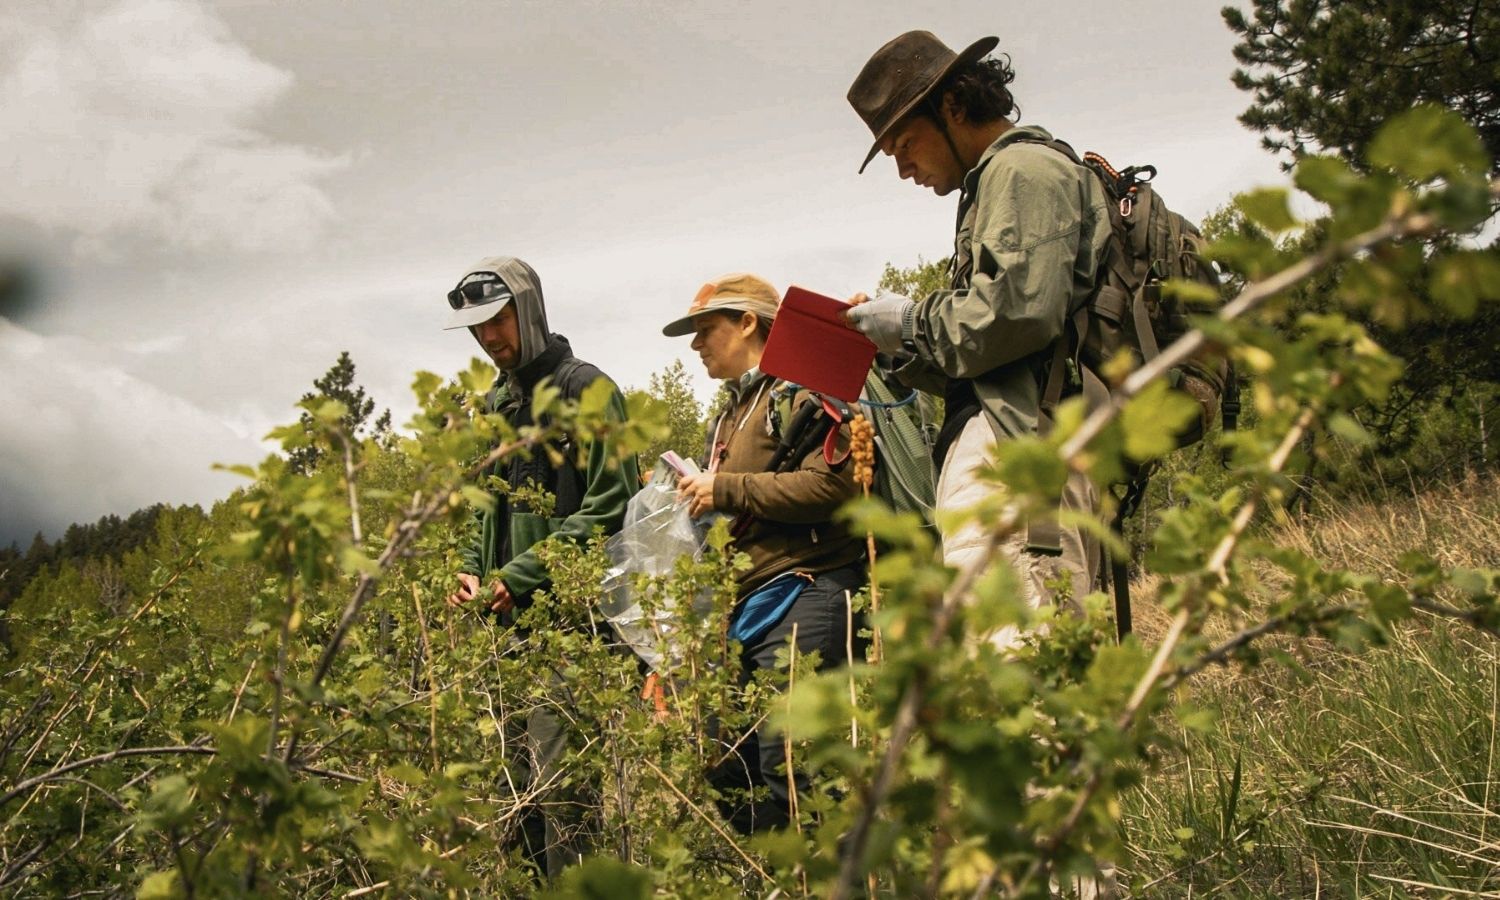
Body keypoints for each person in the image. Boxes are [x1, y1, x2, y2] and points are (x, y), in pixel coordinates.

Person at [843, 31, 1110, 647]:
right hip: (1013, 441)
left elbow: (1016, 314)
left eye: (904, 145)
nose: (904, 168)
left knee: (1014, 669)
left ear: (954, 107)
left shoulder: (1022, 169)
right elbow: (992, 346)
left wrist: (909, 321)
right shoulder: (1000, 182)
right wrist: (897, 346)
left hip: (1018, 455)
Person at [440, 255, 639, 876]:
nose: (488, 339)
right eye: (477, 329)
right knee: (510, 806)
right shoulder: (496, 402)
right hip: (503, 636)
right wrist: (471, 568)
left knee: (565, 802)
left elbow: (613, 506)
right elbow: (485, 512)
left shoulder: (589, 390)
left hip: (569, 631)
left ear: (527, 310)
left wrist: (520, 576)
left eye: (496, 321)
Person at [662, 272, 865, 834]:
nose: (696, 345)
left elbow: (836, 485)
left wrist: (724, 489)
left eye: (705, 330)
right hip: (745, 610)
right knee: (727, 768)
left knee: (796, 772)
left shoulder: (802, 387)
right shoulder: (731, 413)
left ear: (748, 322)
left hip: (808, 594)